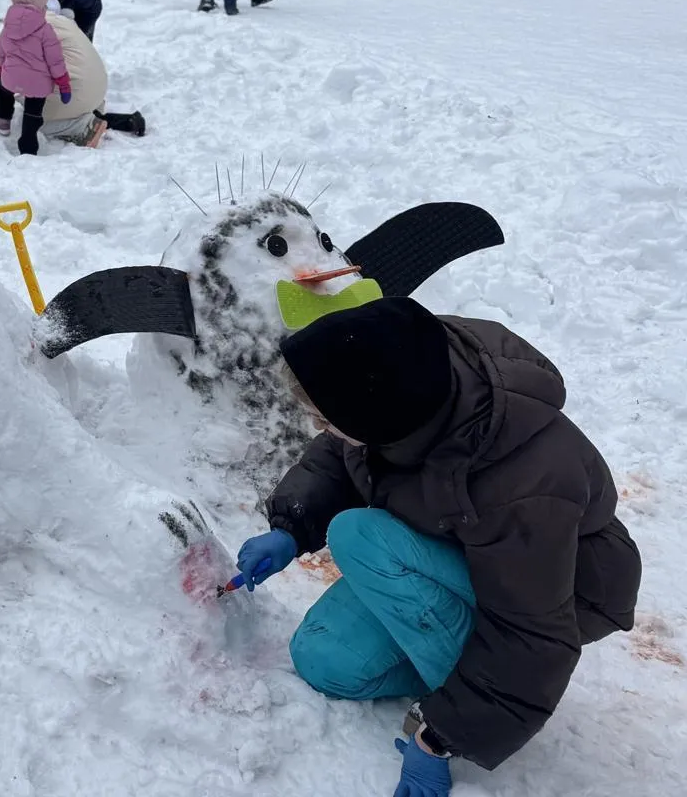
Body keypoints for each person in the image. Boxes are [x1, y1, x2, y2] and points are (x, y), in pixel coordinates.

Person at [233, 298, 639, 797]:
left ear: (377, 417)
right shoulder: (404, 387)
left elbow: (532, 631)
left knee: (359, 536)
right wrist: (292, 526)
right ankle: (463, 673)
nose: (323, 430)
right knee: (323, 659)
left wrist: (442, 735)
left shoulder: (526, 483)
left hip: (560, 593)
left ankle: (470, 701)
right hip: (452, 551)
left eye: (325, 419)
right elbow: (341, 454)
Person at [0, 0, 82, 153]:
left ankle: (3, 120)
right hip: (38, 84)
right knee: (33, 112)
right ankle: (28, 144)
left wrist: (1, 69)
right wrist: (63, 84)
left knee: (3, 89)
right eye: (43, 5)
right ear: (36, 6)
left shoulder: (8, 26)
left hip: (11, 77)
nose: (45, 8)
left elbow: (2, 49)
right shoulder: (45, 30)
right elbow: (55, 60)